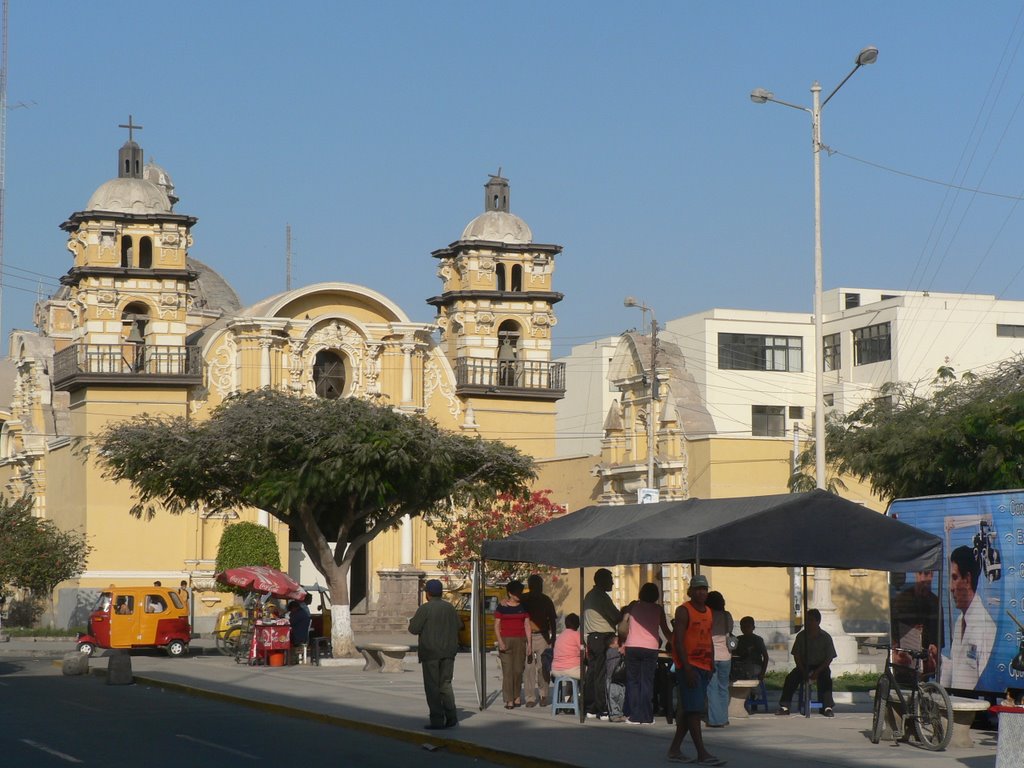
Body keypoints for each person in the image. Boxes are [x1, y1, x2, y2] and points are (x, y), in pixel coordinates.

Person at [667, 574, 723, 766]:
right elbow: (679, 642)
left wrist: (712, 662)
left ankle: (674, 750)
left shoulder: (708, 612)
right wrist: (687, 668)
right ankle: (701, 753)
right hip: (689, 667)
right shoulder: (684, 611)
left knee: (689, 709)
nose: (701, 592)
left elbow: (709, 638)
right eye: (698, 589)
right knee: (694, 711)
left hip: (705, 666)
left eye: (704, 589)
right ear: (690, 591)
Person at [940, 545, 996, 691]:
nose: (951, 587)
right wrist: (938, 661)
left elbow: (987, 684)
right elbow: (955, 668)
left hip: (974, 711)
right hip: (956, 709)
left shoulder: (985, 627)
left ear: (967, 579)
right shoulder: (960, 622)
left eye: (954, 578)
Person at [408, 579, 461, 730]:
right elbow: (459, 625)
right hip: (449, 652)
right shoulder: (449, 607)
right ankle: (451, 717)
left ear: (428, 594)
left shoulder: (425, 608)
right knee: (446, 684)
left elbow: (413, 629)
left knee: (432, 687)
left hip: (431, 652)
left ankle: (437, 720)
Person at [622, 581, 671, 725]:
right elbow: (666, 630)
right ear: (656, 595)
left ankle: (634, 715)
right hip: (651, 648)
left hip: (632, 647)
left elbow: (624, 623)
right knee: (647, 682)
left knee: (633, 681)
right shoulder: (658, 609)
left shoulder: (633, 606)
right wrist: (676, 641)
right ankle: (647, 716)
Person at [776, 608, 836, 717]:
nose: (808, 623)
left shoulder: (826, 637)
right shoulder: (801, 636)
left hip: (821, 666)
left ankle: (827, 707)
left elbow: (829, 658)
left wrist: (817, 672)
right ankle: (784, 707)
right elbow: (796, 655)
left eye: (811, 620)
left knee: (826, 679)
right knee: (791, 678)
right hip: (804, 665)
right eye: (807, 620)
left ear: (818, 622)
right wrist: (802, 670)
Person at [583, 568, 621, 720]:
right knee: (601, 675)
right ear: (602, 580)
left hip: (593, 638)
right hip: (602, 637)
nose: (612, 583)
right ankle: (602, 708)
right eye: (610, 580)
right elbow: (616, 616)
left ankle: (590, 707)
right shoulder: (602, 596)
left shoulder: (590, 595)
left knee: (592, 673)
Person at [890, 570, 940, 676]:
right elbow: (893, 642)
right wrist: (896, 657)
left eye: (926, 574)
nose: (922, 579)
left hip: (925, 674)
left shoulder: (936, 604)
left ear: (932, 575)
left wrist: (932, 657)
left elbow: (937, 650)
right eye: (920, 573)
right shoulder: (902, 600)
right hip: (903, 671)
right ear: (915, 574)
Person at [521, 573, 558, 707]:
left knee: (543, 667)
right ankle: (530, 698)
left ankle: (544, 695)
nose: (539, 588)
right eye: (536, 585)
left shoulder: (546, 600)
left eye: (540, 585)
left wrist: (553, 637)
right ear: (531, 586)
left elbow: (552, 620)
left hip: (543, 636)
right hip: (527, 637)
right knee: (529, 668)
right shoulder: (523, 599)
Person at [494, 579, 532, 709]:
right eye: (516, 592)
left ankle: (516, 696)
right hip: (506, 640)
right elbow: (497, 625)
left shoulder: (524, 606)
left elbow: (527, 624)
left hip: (520, 640)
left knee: (517, 670)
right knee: (507, 671)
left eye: (520, 592)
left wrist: (529, 644)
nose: (519, 595)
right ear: (510, 593)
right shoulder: (502, 607)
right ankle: (509, 699)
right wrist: (500, 641)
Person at [705, 590, 734, 727]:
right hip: (726, 655)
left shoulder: (706, 615)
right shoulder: (726, 615)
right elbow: (730, 631)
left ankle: (715, 720)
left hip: (710, 655)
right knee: (723, 687)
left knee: (712, 688)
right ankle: (724, 717)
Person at [730, 616, 769, 682]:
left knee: (748, 671)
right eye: (743, 627)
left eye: (748, 627)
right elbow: (733, 653)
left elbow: (766, 657)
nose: (745, 629)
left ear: (753, 627)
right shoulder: (738, 639)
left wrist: (762, 673)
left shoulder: (757, 640)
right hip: (741, 666)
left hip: (754, 666)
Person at [551, 613, 582, 680]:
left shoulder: (560, 636)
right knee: (589, 671)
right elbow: (584, 650)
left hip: (556, 670)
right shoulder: (576, 634)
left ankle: (571, 690)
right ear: (577, 624)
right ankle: (580, 690)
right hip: (571, 670)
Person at [605, 634, 627, 722]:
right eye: (618, 641)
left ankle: (620, 713)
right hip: (611, 679)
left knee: (621, 696)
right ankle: (614, 714)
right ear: (612, 643)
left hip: (619, 679)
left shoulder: (617, 652)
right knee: (613, 697)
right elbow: (621, 651)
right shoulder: (610, 651)